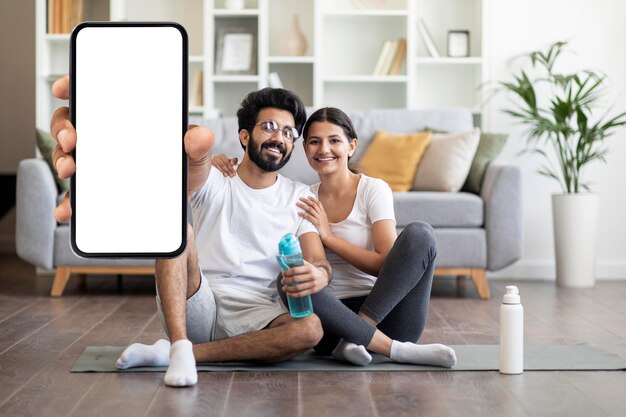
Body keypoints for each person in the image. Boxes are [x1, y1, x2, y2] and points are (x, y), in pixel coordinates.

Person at [50, 77, 333, 387]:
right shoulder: (214, 177)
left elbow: (318, 261)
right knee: (176, 229)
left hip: (261, 314)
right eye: (268, 127)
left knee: (310, 330)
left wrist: (320, 275)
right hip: (199, 302)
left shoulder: (300, 195)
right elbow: (178, 158)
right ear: (244, 135)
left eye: (289, 132)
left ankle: (181, 353)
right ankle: (181, 342)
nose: (279, 137)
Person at [212, 107, 456, 367]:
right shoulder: (303, 197)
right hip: (330, 324)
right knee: (288, 279)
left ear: (351, 147)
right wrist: (218, 162)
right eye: (315, 142)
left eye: (334, 141)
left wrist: (329, 237)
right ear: (304, 149)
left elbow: (386, 265)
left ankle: (361, 336)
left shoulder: (373, 190)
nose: (324, 149)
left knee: (420, 233)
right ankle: (388, 349)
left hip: (388, 317)